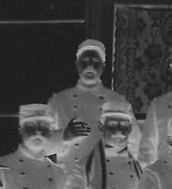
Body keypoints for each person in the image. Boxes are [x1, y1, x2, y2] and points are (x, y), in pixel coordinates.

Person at [49, 38, 138, 166]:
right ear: (77, 64)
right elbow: (39, 146)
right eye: (85, 60)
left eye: (96, 61)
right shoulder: (58, 101)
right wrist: (63, 135)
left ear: (103, 66)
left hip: (107, 178)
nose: (90, 65)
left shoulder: (117, 100)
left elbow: (136, 144)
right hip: (69, 178)